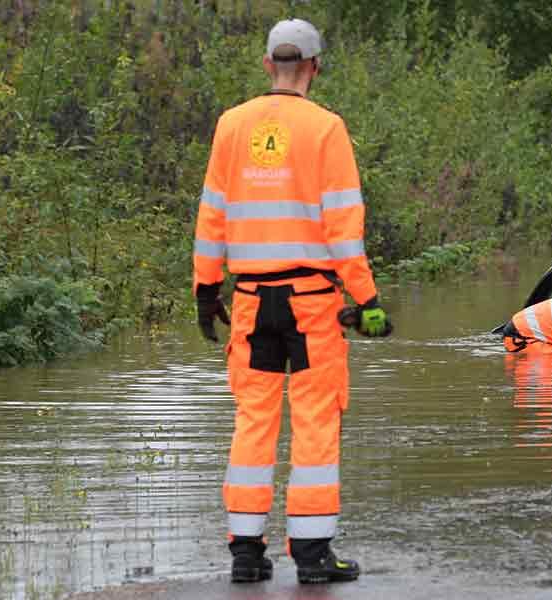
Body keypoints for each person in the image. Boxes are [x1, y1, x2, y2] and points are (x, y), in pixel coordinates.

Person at [192, 18, 388, 585]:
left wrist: (206, 290)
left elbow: (211, 217)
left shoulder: (230, 126)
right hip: (310, 303)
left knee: (253, 420)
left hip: (251, 301)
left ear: (266, 65)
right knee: (314, 421)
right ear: (315, 68)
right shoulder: (327, 129)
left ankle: (246, 556)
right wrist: (368, 298)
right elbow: (344, 230)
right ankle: (312, 555)